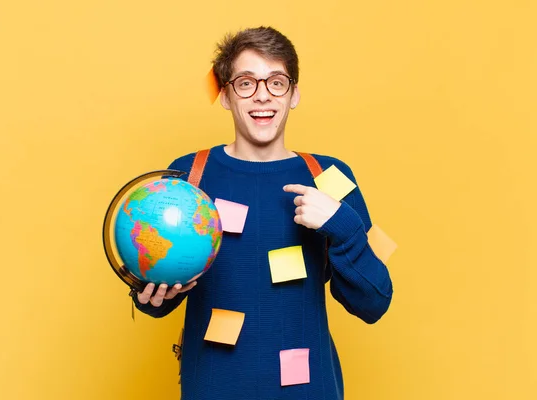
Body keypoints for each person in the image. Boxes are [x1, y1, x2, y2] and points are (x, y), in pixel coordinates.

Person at [134, 26, 393, 400]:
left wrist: (343, 228)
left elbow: (375, 303)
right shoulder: (189, 174)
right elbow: (162, 287)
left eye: (276, 82)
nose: (262, 97)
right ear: (225, 95)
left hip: (309, 388)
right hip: (213, 386)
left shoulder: (332, 177)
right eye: (245, 83)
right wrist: (152, 297)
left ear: (294, 94)